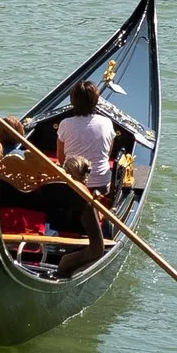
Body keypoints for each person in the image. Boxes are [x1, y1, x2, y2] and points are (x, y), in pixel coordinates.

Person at [51, 76, 116, 247]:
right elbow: (108, 154)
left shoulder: (65, 124)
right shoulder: (107, 123)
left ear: (73, 101)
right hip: (101, 184)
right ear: (95, 101)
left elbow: (61, 159)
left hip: (73, 186)